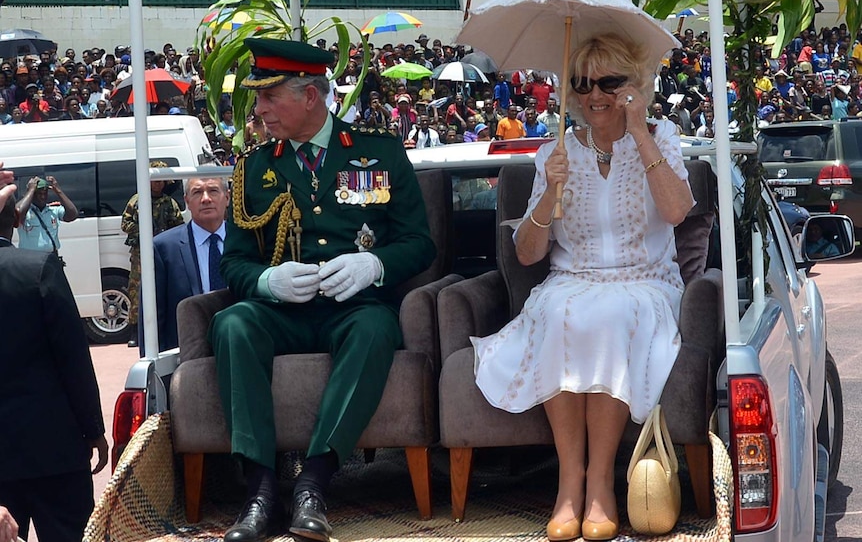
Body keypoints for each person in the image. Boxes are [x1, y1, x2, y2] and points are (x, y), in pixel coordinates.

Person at [472, 34, 694, 542]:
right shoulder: (555, 151)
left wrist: (640, 135)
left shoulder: (661, 137)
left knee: (611, 313)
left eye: (610, 82)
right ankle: (568, 484)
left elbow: (678, 211)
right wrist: (550, 191)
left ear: (635, 86)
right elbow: (528, 253)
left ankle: (600, 486)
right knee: (559, 313)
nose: (596, 94)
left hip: (646, 282)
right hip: (573, 280)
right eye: (583, 83)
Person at [211, 38, 435, 542]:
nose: (259, 109)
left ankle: (314, 481)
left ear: (310, 96)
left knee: (378, 326)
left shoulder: (378, 151)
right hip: (282, 312)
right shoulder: (253, 166)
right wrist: (268, 280)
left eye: (269, 97)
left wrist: (373, 264)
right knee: (231, 324)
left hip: (351, 307)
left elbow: (420, 244)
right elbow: (235, 262)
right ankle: (261, 488)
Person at [0, 176, 109, 542]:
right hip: (53, 448)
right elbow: (73, 358)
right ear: (14, 222)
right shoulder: (38, 269)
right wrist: (94, 430)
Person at [149, 177, 230, 353]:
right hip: (186, 356)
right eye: (197, 192)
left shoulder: (248, 241)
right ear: (187, 201)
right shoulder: (163, 248)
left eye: (213, 191)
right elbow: (153, 316)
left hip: (239, 350)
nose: (206, 198)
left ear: (227, 197)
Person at [121, 161, 184, 347]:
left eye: (161, 181)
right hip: (141, 252)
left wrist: (165, 235)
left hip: (164, 252)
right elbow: (125, 224)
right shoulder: (137, 200)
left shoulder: (170, 203)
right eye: (155, 181)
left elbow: (179, 226)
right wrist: (145, 230)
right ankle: (135, 330)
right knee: (136, 289)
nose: (158, 184)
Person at [16, 176, 78, 256]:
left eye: (45, 193)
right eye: (39, 194)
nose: (43, 197)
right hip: (30, 258)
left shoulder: (53, 210)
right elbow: (18, 213)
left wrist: (58, 191)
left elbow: (72, 215)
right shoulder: (25, 212)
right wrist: (31, 190)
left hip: (50, 257)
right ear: (32, 194)